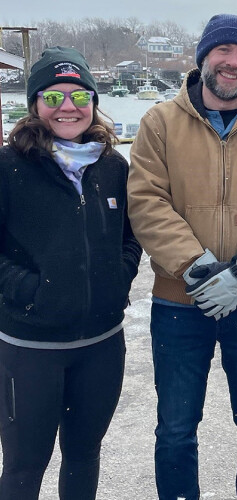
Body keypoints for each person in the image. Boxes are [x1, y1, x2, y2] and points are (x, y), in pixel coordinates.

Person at [126, 14, 237, 500]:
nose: (233, 64)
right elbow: (146, 202)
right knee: (176, 427)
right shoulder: (159, 123)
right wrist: (199, 269)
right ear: (203, 58)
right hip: (179, 304)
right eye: (223, 52)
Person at [0, 46, 142, 499]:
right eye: (54, 97)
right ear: (34, 104)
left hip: (101, 345)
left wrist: (118, 278)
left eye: (80, 98)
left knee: (84, 456)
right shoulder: (8, 167)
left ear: (94, 104)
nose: (68, 108)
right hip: (30, 347)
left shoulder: (113, 166)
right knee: (24, 466)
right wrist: (30, 291)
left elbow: (131, 237)